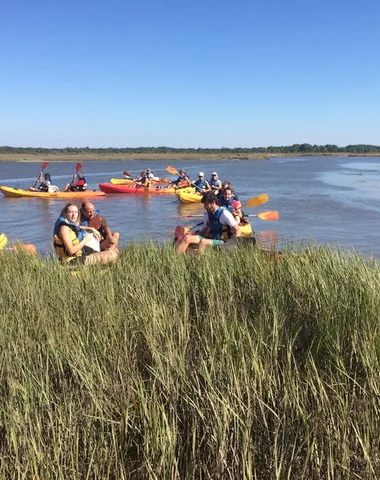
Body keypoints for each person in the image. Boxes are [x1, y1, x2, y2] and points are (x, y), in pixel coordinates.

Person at [175, 191, 241, 254]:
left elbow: (238, 230)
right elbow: (203, 233)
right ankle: (176, 259)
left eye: (206, 204)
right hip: (211, 239)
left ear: (213, 203)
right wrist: (192, 234)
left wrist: (232, 244)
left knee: (203, 242)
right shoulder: (207, 215)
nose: (204, 207)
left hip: (223, 242)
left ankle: (198, 262)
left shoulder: (224, 213)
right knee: (187, 238)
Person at [53, 203, 118, 265]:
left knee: (114, 250)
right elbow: (71, 251)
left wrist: (91, 229)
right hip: (72, 260)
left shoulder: (70, 226)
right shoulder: (64, 228)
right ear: (65, 214)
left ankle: (103, 270)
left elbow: (78, 227)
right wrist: (85, 240)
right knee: (112, 255)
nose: (74, 215)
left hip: (79, 255)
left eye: (76, 212)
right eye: (70, 212)